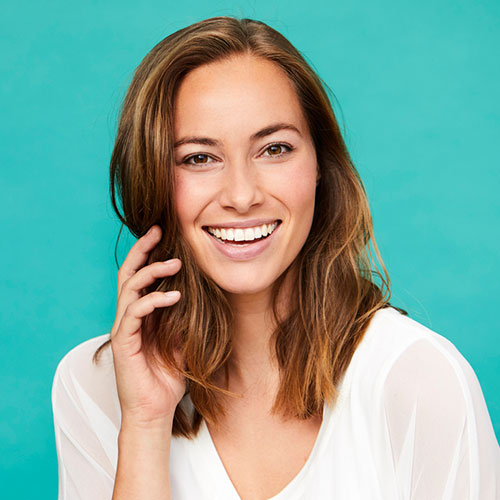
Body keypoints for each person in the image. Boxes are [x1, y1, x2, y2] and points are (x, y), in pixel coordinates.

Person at [51, 16, 499, 500]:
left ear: (319, 169)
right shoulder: (92, 385)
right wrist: (144, 425)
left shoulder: (419, 381)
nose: (242, 196)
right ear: (154, 181)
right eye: (199, 158)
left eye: (275, 149)